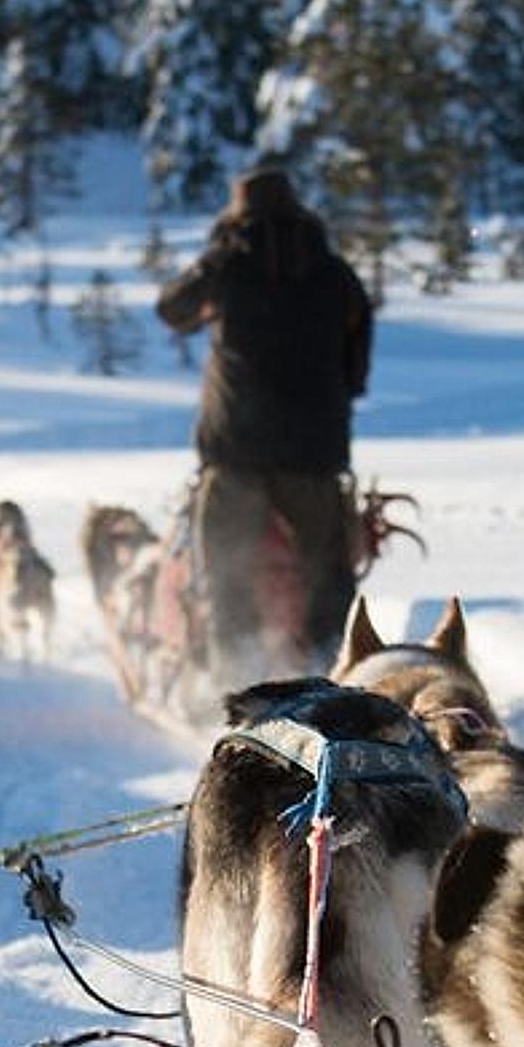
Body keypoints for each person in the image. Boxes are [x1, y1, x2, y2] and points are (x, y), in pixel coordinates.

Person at [156, 167, 374, 674]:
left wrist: (216, 260)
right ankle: (328, 672)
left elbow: (171, 309)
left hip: (234, 448)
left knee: (225, 577)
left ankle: (232, 684)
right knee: (327, 576)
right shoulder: (335, 272)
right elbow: (357, 362)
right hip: (315, 452)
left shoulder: (226, 262)